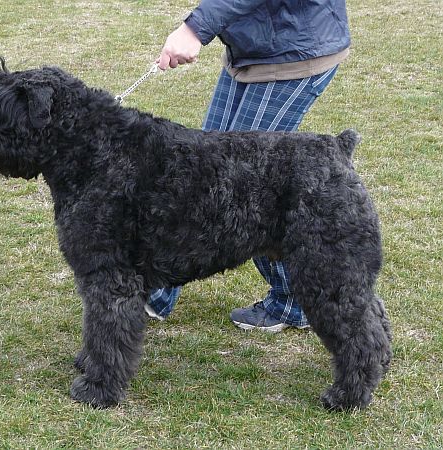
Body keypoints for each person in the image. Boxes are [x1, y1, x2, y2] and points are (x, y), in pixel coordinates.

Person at [146, 0, 351, 332]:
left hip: (293, 48)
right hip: (255, 46)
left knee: (246, 191)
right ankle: (156, 288)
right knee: (202, 174)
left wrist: (194, 28)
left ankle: (293, 301)